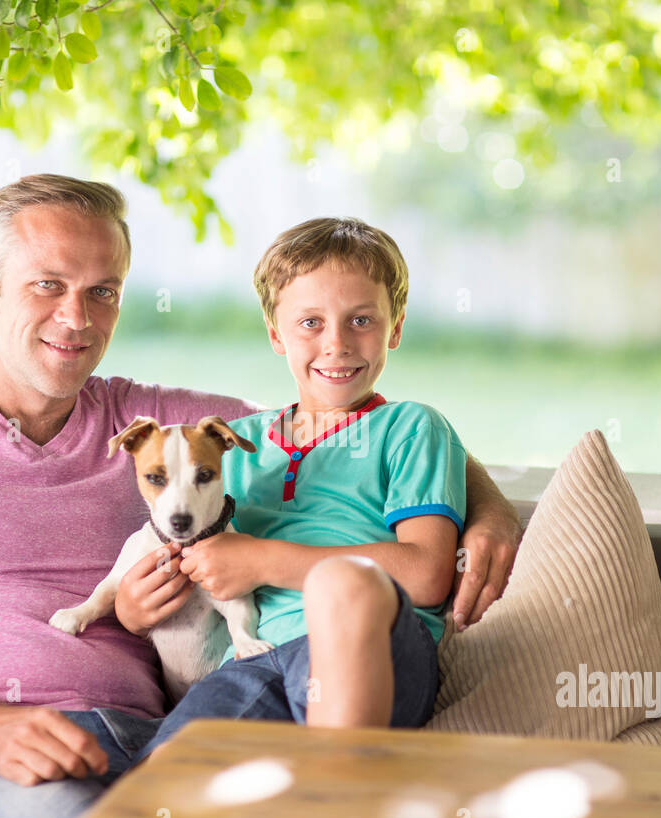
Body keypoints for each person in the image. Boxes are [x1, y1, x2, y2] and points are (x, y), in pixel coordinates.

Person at [0, 174, 523, 818]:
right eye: (47, 285)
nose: (76, 318)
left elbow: (345, 428)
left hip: (153, 736)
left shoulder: (160, 427)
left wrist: (486, 514)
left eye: (101, 292)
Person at [117, 216, 466, 767]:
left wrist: (263, 559)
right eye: (310, 322)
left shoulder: (411, 428)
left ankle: (338, 806)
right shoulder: (235, 442)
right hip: (253, 657)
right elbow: (177, 529)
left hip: (373, 646)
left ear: (395, 328)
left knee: (344, 586)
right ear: (276, 334)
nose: (336, 344)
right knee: (167, 772)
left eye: (361, 320)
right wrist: (132, 609)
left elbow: (426, 573)